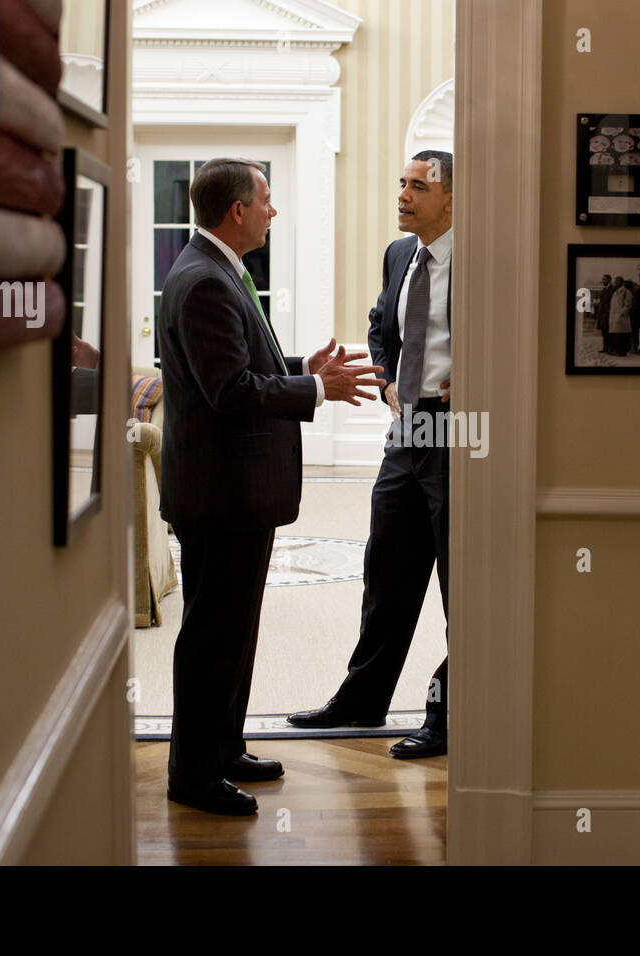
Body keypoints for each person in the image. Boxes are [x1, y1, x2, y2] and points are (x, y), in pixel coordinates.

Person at [158, 158, 384, 815]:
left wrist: (297, 367)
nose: (271, 213)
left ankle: (223, 749)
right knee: (211, 638)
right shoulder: (204, 279)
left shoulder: (211, 268)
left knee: (233, 632)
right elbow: (228, 392)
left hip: (233, 494)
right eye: (265, 201)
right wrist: (317, 388)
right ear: (237, 211)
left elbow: (232, 363)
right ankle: (193, 776)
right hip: (220, 495)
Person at [287, 150, 454, 759]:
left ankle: (448, 713)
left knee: (459, 583)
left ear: (453, 199)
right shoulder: (399, 254)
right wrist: (385, 380)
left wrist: (480, 374)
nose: (403, 196)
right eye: (401, 184)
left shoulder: (484, 257)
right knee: (387, 569)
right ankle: (362, 701)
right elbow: (381, 323)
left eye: (417, 187)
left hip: (460, 433)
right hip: (405, 430)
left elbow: (517, 332)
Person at [609, 275, 632, 356]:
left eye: (617, 281)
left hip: (622, 317)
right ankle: (617, 350)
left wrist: (621, 313)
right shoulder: (615, 292)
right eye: (615, 281)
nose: (615, 283)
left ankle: (622, 352)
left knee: (622, 335)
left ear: (622, 283)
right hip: (614, 316)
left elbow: (628, 305)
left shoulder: (627, 292)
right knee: (616, 335)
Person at [595, 274, 614, 353]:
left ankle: (610, 349)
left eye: (605, 279)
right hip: (602, 314)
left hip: (608, 313)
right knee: (604, 332)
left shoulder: (612, 289)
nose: (603, 281)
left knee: (608, 332)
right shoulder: (604, 289)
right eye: (603, 279)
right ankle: (605, 348)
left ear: (609, 280)